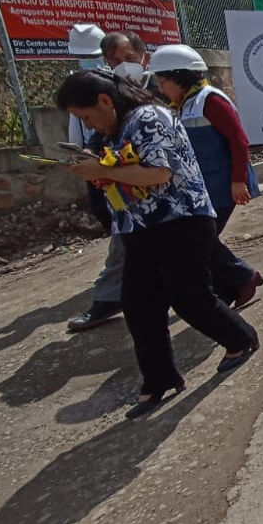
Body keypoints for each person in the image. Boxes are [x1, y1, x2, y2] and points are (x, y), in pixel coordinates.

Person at [57, 70, 259, 420]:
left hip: (181, 221)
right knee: (139, 305)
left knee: (190, 298)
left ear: (105, 100)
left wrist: (101, 171)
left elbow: (158, 172)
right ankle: (160, 379)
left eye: (86, 116)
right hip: (139, 226)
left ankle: (241, 339)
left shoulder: (149, 118)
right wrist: (89, 161)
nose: (87, 124)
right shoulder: (113, 129)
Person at [147, 44, 263, 308]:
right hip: (202, 187)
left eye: (161, 81)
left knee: (199, 241)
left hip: (223, 184)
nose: (160, 88)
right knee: (201, 242)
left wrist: (238, 181)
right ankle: (227, 288)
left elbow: (239, 141)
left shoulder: (210, 101)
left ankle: (243, 277)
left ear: (179, 76)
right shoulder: (184, 103)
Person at [66, 26, 154, 332]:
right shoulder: (104, 93)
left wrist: (104, 168)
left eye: (127, 57)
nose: (121, 65)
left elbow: (160, 166)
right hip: (120, 187)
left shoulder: (157, 91)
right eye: (113, 60)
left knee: (144, 246)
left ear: (145, 57)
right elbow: (95, 137)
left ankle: (109, 299)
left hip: (151, 189)